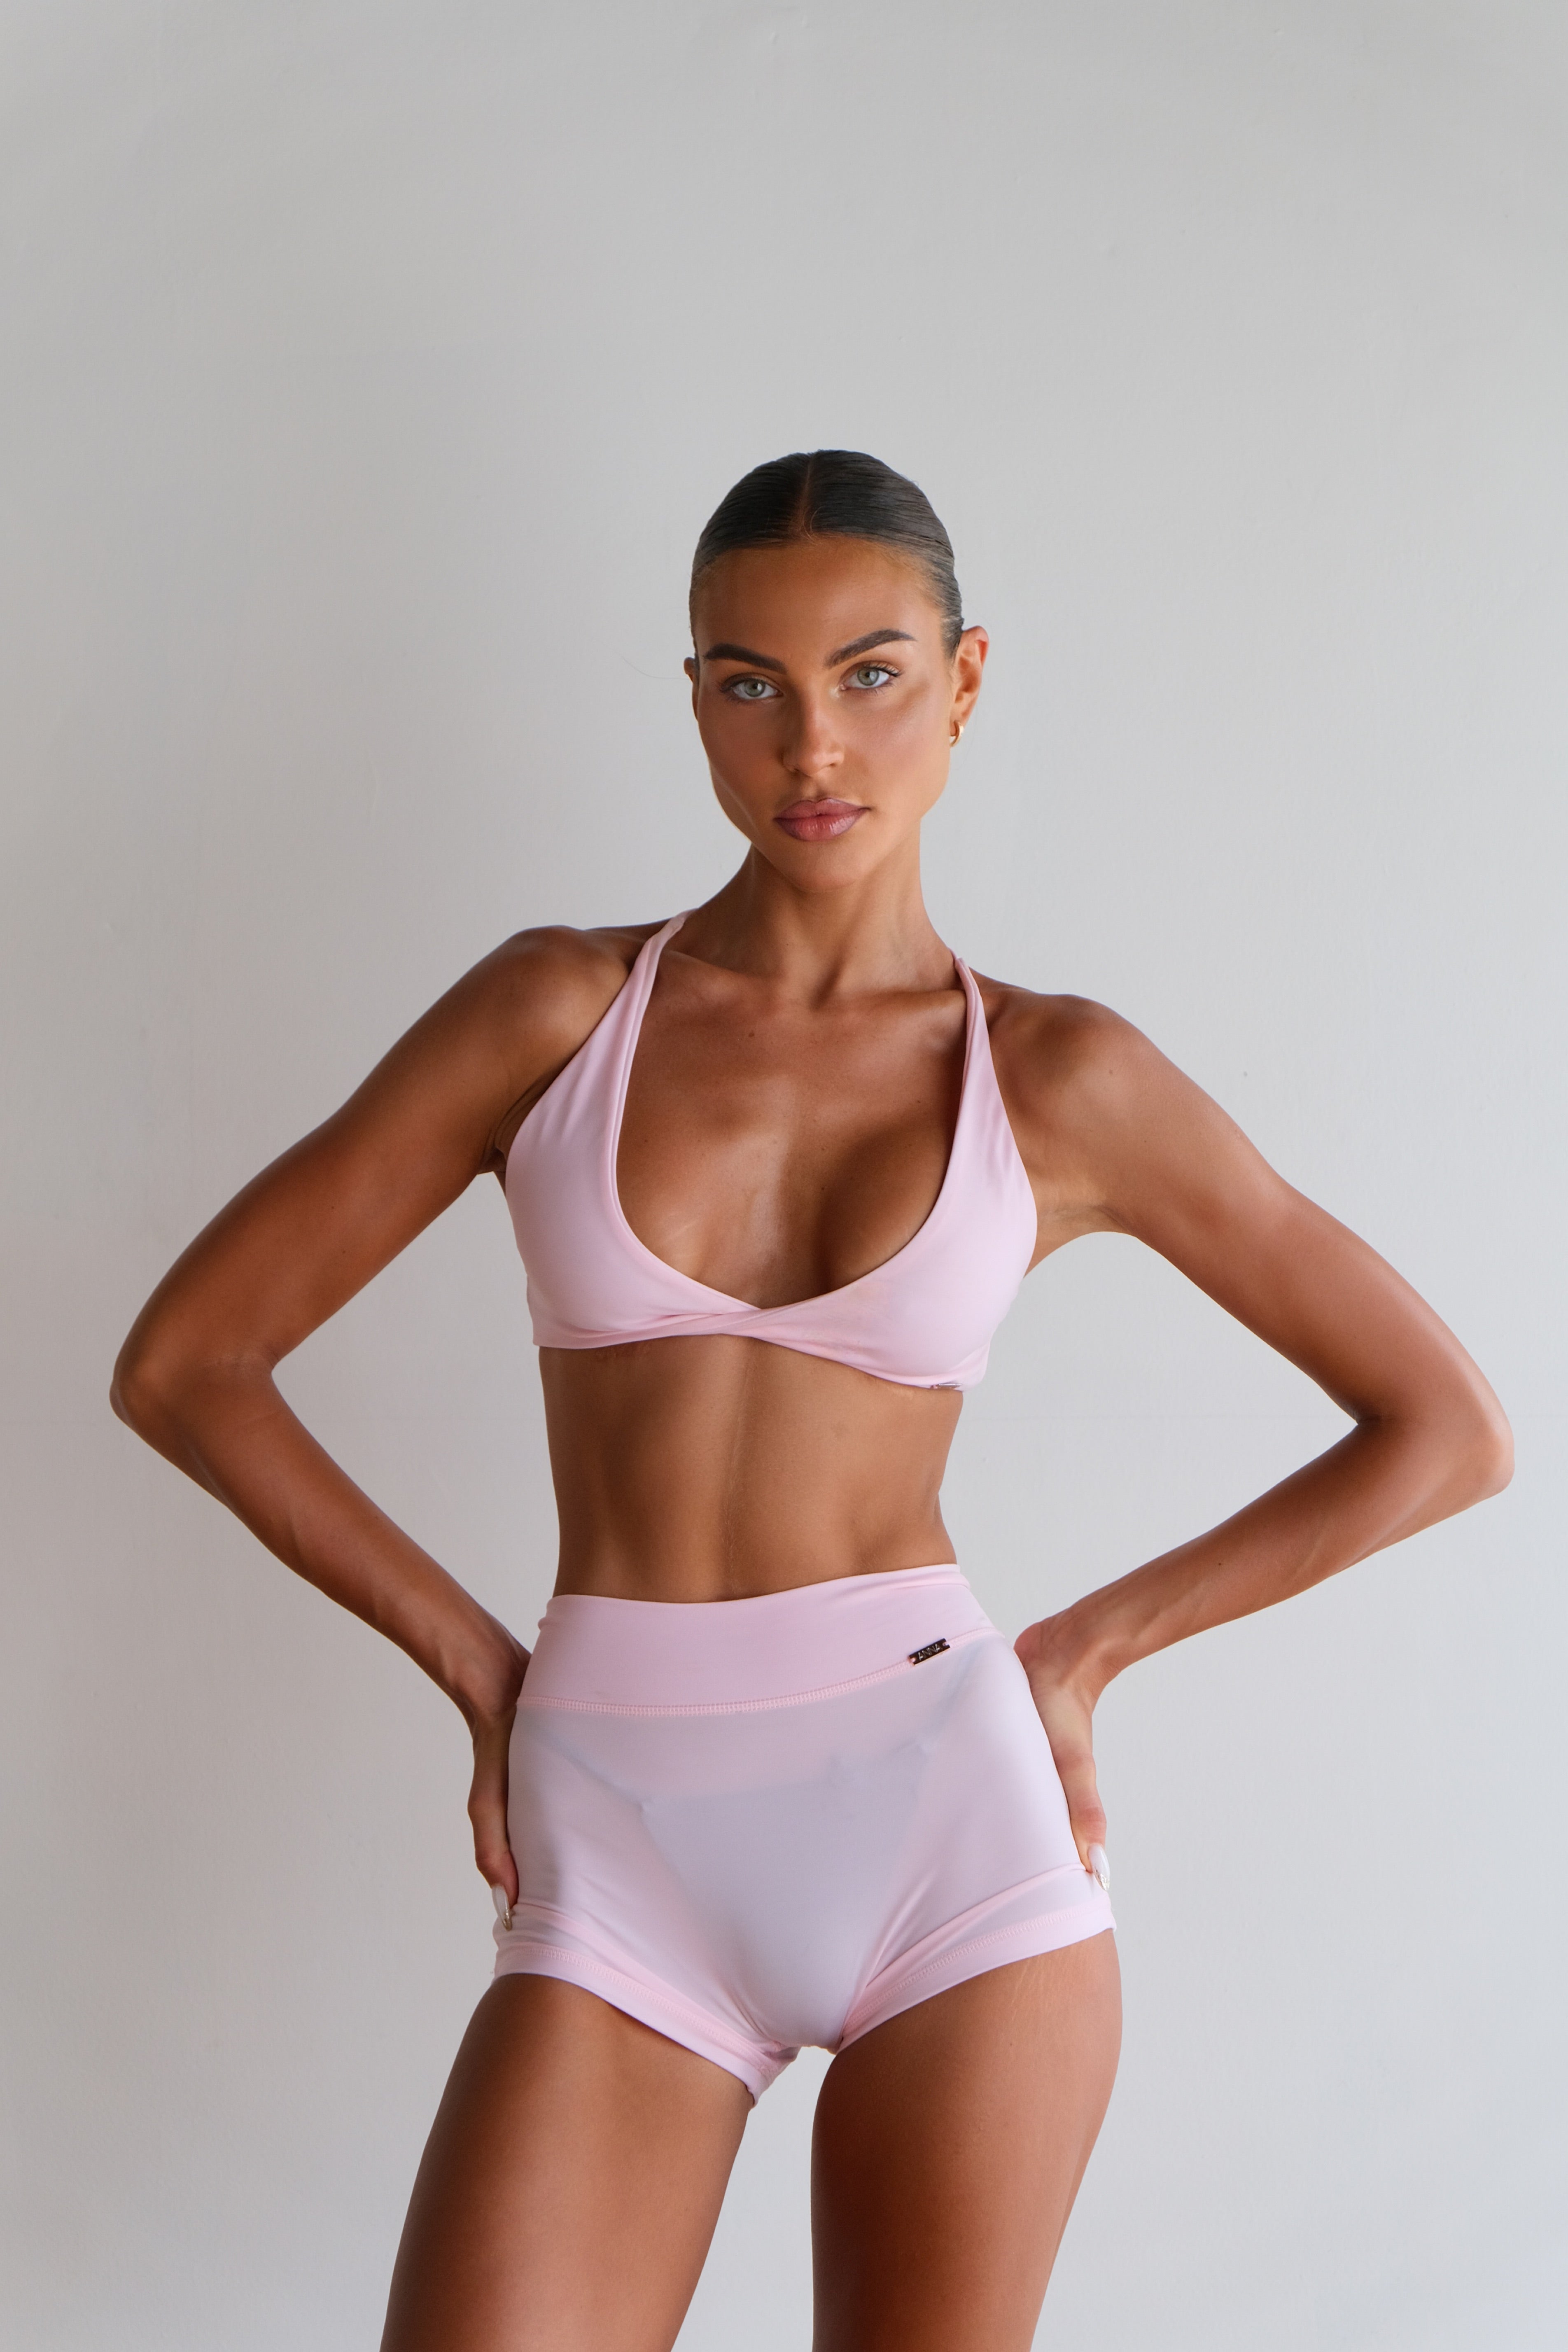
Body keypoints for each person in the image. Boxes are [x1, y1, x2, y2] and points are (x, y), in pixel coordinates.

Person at [111, 450, 1512, 2352]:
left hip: (949, 1829)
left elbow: (1444, 1428)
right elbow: (190, 1364)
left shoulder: (1059, 1078)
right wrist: (479, 1670)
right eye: (748, 685)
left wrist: (1084, 1654)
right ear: (694, 696)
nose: (810, 748)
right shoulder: (556, 1018)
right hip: (614, 1836)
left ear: (965, 678)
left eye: (869, 675)